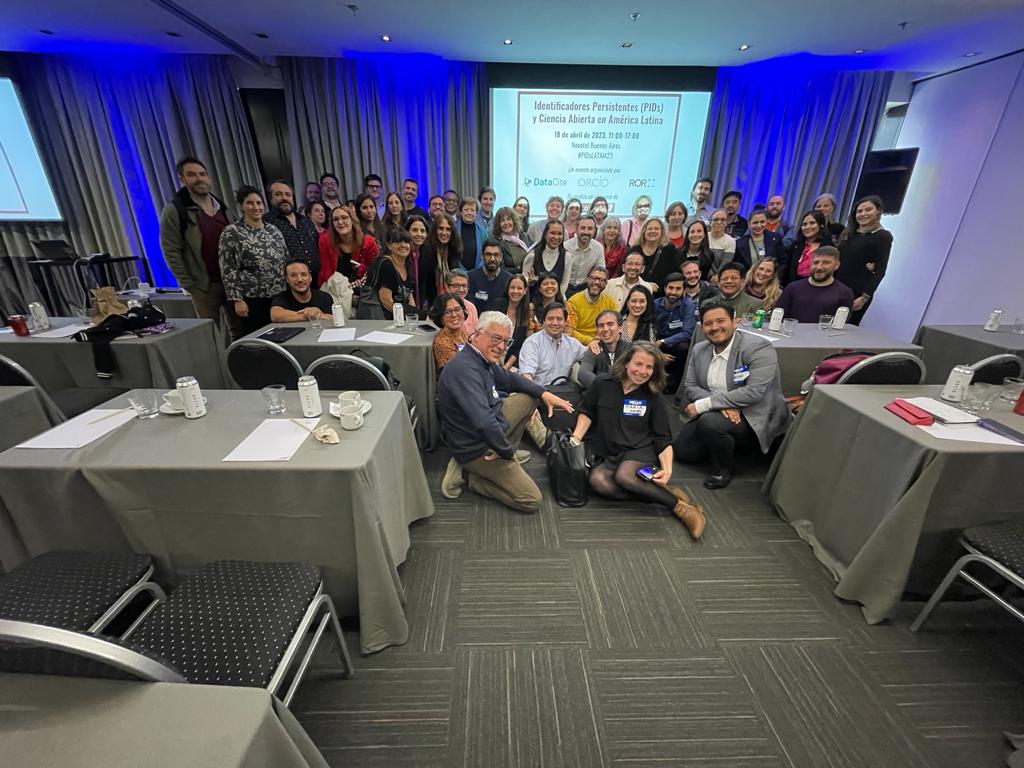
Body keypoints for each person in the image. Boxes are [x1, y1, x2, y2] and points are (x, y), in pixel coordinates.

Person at [438, 311, 575, 511]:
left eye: (506, 341)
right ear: (476, 334)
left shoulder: (479, 357)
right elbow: (484, 422)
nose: (502, 347)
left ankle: (497, 452)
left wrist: (545, 394)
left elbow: (510, 379)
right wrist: (507, 452)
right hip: (474, 448)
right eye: (496, 338)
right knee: (531, 500)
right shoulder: (465, 370)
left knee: (530, 398)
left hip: (484, 429)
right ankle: (473, 478)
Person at [572, 342, 705, 538]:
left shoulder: (653, 396)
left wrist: (667, 468)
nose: (642, 371)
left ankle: (682, 509)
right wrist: (576, 437)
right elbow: (587, 411)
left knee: (625, 476)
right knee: (598, 481)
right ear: (626, 363)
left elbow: (662, 437)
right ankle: (659, 493)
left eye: (649, 367)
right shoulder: (603, 383)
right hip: (610, 451)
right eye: (638, 364)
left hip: (640, 450)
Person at [674, 300, 790, 489]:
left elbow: (754, 392)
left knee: (709, 423)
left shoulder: (758, 348)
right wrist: (721, 405)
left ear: (734, 322)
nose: (715, 327)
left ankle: (723, 470)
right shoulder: (699, 349)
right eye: (708, 323)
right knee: (684, 453)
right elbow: (690, 386)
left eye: (720, 321)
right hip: (720, 410)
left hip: (754, 413)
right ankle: (729, 444)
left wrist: (707, 404)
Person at [160, 156, 241, 338]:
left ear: (209, 178)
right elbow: (171, 250)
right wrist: (189, 284)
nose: (199, 179)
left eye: (202, 174)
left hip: (232, 284)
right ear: (182, 179)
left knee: (239, 330)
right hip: (204, 286)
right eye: (192, 175)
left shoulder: (224, 210)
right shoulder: (175, 211)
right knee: (212, 333)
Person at [218, 185, 287, 337]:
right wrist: (237, 299)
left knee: (281, 338)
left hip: (278, 297)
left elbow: (285, 260)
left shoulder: (274, 231)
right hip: (251, 299)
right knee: (257, 340)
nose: (256, 207)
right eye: (250, 203)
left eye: (259, 203)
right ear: (242, 206)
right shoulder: (232, 232)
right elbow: (228, 269)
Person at [836, 195, 892, 323]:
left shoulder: (883, 236)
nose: (863, 214)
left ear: (878, 210)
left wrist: (865, 297)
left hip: (857, 293)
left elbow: (880, 270)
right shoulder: (849, 233)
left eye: (868, 210)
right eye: (859, 211)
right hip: (836, 287)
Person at [776, 246, 854, 324]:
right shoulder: (792, 288)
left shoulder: (845, 293)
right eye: (816, 262)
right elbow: (778, 319)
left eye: (826, 262)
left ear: (837, 265)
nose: (819, 267)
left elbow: (840, 326)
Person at [518, 302, 586, 386]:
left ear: (565, 322)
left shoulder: (573, 344)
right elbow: (526, 376)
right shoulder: (532, 342)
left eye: (559, 319)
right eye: (550, 318)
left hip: (561, 393)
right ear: (544, 321)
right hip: (536, 392)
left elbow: (589, 355)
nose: (555, 323)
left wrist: (594, 343)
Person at [654, 272, 697, 391]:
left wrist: (664, 341)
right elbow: (649, 329)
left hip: (675, 343)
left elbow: (687, 332)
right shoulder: (655, 304)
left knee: (684, 347)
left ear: (683, 290)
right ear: (665, 288)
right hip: (655, 342)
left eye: (678, 288)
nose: (673, 292)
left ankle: (674, 382)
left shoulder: (689, 305)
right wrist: (656, 350)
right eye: (670, 288)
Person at [317, 205, 379, 286]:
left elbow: (375, 272)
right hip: (336, 290)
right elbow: (326, 273)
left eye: (344, 217)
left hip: (365, 289)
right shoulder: (325, 241)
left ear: (352, 220)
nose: (340, 222)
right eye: (336, 219)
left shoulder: (368, 242)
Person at [578, 309, 631, 389]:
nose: (605, 329)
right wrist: (606, 389)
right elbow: (583, 373)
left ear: (620, 328)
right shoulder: (594, 349)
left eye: (610, 324)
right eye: (601, 326)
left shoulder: (631, 349)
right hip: (601, 396)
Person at [374, 228, 418, 321]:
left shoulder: (407, 265)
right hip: (384, 320)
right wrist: (409, 317)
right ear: (389, 245)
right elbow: (385, 300)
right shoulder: (387, 265)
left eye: (406, 242)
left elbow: (410, 296)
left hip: (400, 318)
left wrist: (415, 318)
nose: (403, 245)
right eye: (398, 242)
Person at [495, 273, 537, 369]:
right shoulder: (498, 305)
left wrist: (506, 367)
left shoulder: (528, 312)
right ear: (508, 289)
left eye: (519, 288)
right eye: (512, 288)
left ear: (525, 290)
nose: (515, 291)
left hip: (510, 363)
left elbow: (520, 346)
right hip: (491, 357)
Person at [269, 259, 334, 322]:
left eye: (304, 274)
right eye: (293, 275)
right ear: (287, 279)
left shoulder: (324, 297)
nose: (300, 279)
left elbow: (333, 318)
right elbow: (275, 315)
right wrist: (309, 315)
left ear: (310, 277)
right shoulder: (281, 298)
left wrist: (319, 314)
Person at [566, 266, 617, 344]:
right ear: (587, 279)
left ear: (606, 284)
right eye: (593, 278)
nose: (596, 282)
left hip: (604, 342)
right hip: (579, 345)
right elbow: (570, 330)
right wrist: (590, 340)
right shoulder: (573, 302)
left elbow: (619, 324)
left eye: (601, 280)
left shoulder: (610, 302)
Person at [420, 213, 462, 305]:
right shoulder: (426, 251)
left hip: (449, 301)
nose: (444, 233)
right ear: (435, 230)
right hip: (429, 302)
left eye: (448, 229)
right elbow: (423, 281)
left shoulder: (454, 251)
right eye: (441, 228)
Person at [522, 220, 571, 296]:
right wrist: (530, 282)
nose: (556, 237)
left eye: (560, 234)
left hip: (555, 303)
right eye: (552, 233)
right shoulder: (532, 256)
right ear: (545, 234)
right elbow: (523, 283)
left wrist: (554, 299)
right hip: (534, 301)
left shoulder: (567, 257)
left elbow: (564, 283)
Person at [629, 217, 678, 294]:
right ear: (644, 231)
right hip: (636, 293)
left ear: (662, 232)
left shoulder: (669, 249)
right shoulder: (634, 250)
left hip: (661, 295)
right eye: (650, 228)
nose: (653, 231)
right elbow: (624, 272)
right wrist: (646, 285)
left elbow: (675, 272)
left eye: (656, 229)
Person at [786, 210, 832, 284]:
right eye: (804, 224)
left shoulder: (828, 247)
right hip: (794, 286)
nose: (807, 227)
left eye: (812, 223)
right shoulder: (796, 245)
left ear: (821, 225)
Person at [563, 215, 605, 296]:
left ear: (594, 231)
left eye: (590, 228)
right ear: (576, 229)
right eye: (582, 228)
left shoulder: (598, 248)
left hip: (586, 287)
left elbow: (601, 271)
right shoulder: (565, 246)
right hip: (565, 285)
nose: (586, 232)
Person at [467, 239, 511, 314]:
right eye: (488, 254)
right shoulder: (470, 278)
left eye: (496, 255)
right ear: (482, 256)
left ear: (501, 257)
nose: (492, 259)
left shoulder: (509, 279)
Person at [430, 292, 469, 374]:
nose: (454, 315)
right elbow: (458, 373)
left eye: (457, 309)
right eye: (447, 312)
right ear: (440, 317)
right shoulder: (442, 343)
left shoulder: (463, 332)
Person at [492, 207, 530, 272]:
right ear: (498, 224)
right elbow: (500, 269)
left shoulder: (524, 236)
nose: (506, 223)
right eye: (502, 221)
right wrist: (521, 269)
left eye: (508, 219)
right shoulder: (497, 242)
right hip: (509, 279)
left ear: (514, 221)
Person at [405, 215, 431, 310]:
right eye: (415, 230)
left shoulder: (428, 253)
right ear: (407, 232)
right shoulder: (402, 253)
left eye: (422, 231)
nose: (419, 234)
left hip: (421, 303)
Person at [457, 197, 489, 270]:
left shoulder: (482, 231)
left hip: (478, 272)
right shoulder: (454, 230)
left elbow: (485, 252)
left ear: (476, 213)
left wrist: (475, 271)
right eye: (466, 210)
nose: (469, 213)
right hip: (457, 272)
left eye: (472, 210)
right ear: (461, 212)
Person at [445, 268, 478, 336]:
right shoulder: (439, 307)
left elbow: (476, 333)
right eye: (457, 285)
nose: (461, 289)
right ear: (447, 287)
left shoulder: (471, 307)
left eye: (464, 286)